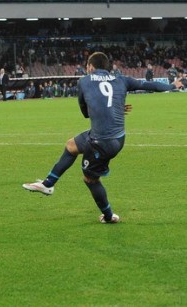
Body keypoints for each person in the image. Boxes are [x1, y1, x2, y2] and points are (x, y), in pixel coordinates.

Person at [22, 52, 183, 224]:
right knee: (71, 145)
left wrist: (104, 107)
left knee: (90, 179)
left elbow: (85, 113)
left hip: (102, 142)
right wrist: (172, 86)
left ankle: (109, 216)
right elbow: (148, 85)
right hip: (116, 138)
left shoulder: (84, 82)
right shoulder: (121, 79)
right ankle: (48, 183)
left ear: (90, 67)